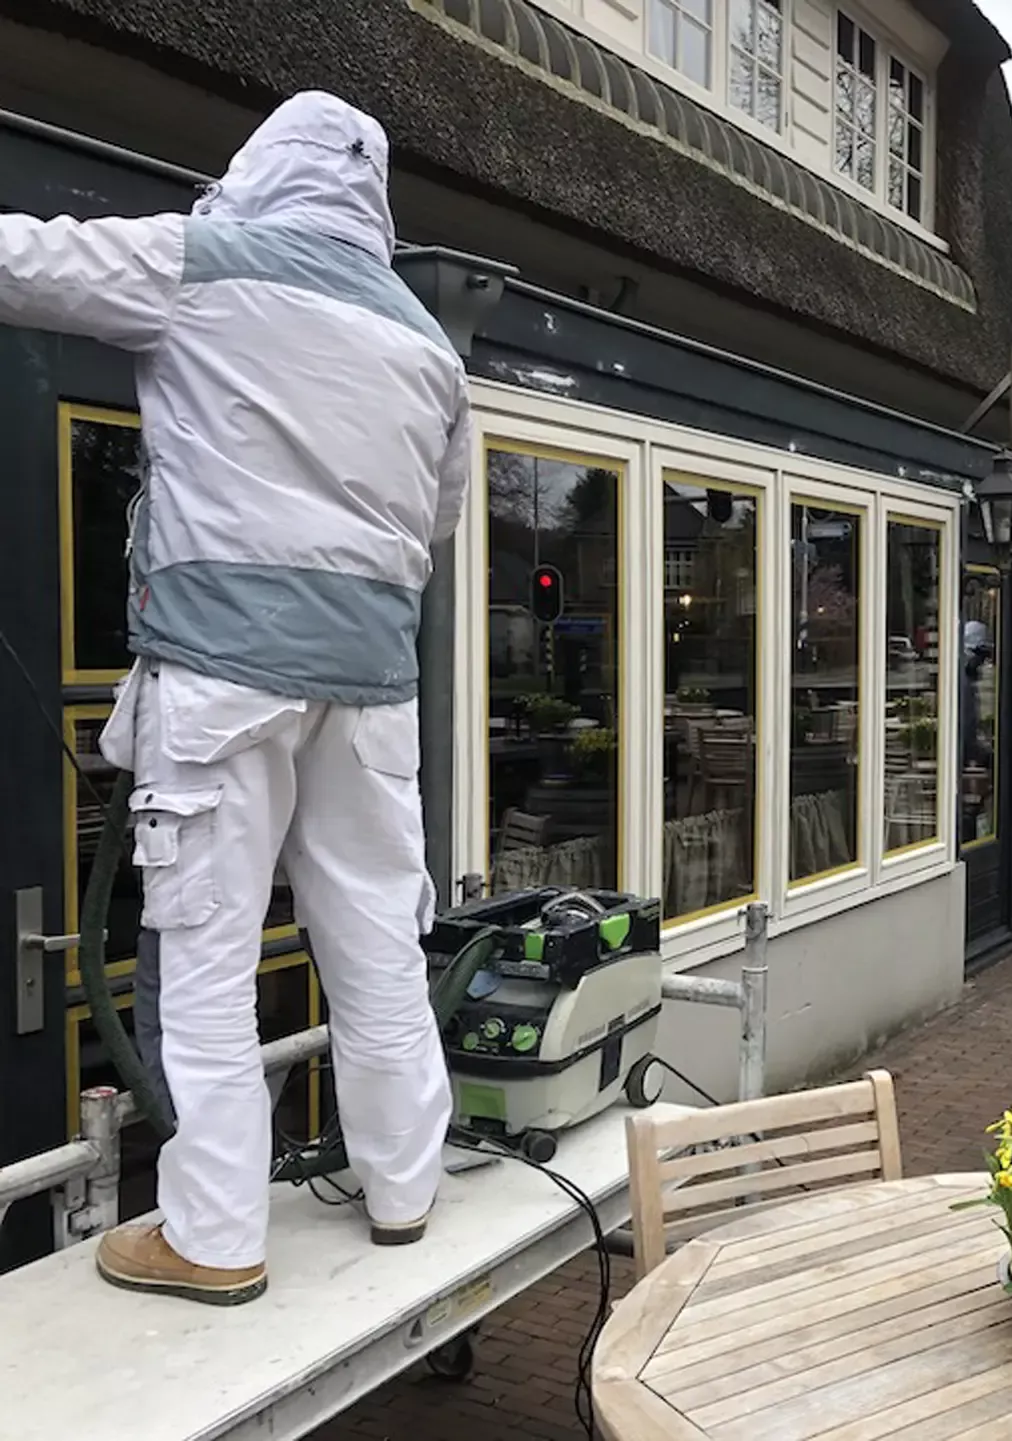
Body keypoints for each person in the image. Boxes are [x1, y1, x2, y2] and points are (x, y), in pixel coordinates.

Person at [0, 92, 472, 1305]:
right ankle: (405, 1190)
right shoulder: (427, 341)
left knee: (207, 955)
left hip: (221, 678)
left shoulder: (199, 260)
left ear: (256, 172)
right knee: (376, 941)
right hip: (370, 693)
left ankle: (213, 1237)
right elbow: (439, 521)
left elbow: (21, 260)